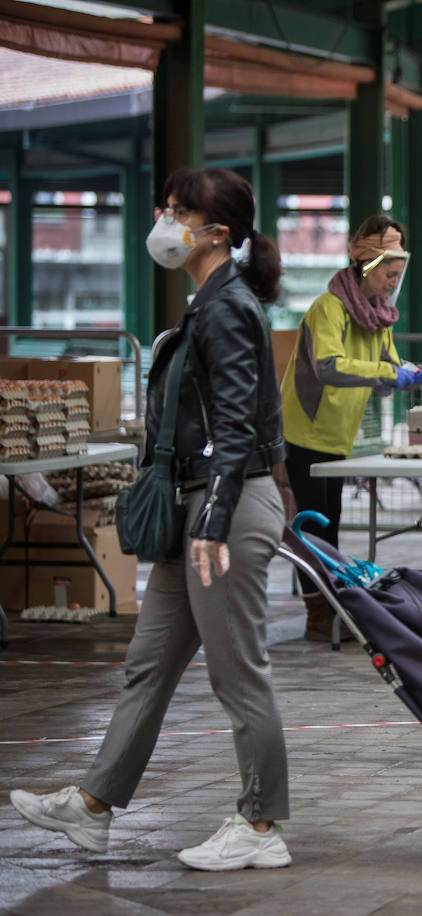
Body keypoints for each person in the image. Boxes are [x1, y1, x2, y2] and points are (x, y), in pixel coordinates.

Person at [10, 167, 295, 869]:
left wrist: (213, 520)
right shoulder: (213, 300)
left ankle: (262, 829)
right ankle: (95, 806)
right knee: (147, 666)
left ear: (216, 232)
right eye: (166, 208)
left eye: (178, 211)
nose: (165, 222)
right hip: (198, 510)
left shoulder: (226, 306)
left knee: (238, 674)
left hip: (221, 513)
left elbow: (235, 425)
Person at [279, 215, 422, 640]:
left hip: (337, 435)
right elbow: (330, 367)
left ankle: (333, 606)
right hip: (305, 433)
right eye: (388, 272)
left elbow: (385, 366)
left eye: (398, 274)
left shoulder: (377, 315)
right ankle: (318, 616)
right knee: (315, 527)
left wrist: (407, 373)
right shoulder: (328, 309)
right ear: (367, 265)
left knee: (332, 522)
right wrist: (386, 374)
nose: (392, 282)